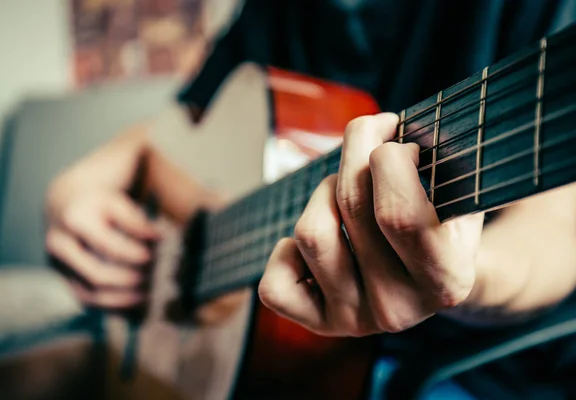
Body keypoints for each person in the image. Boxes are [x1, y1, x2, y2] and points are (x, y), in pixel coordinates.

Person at [45, 0, 576, 398]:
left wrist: (462, 274)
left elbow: (558, 229)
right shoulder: (276, 8)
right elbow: (183, 122)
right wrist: (82, 179)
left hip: (473, 368)